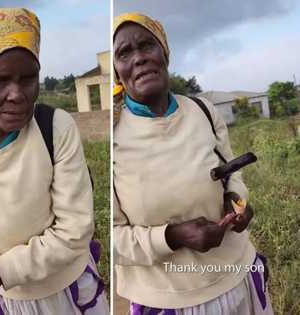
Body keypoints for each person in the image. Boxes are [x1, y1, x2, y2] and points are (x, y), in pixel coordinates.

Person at [0, 8, 108, 314]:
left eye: (28, 79)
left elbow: (74, 231)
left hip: (62, 291)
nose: (16, 94)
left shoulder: (54, 128)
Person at [113, 12, 273, 314]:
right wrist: (172, 236)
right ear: (117, 71)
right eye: (124, 53)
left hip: (239, 274)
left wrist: (236, 202)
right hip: (169, 299)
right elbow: (112, 238)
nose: (138, 58)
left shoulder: (202, 110)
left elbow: (232, 176)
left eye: (147, 46)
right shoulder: (115, 136)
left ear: (164, 53)